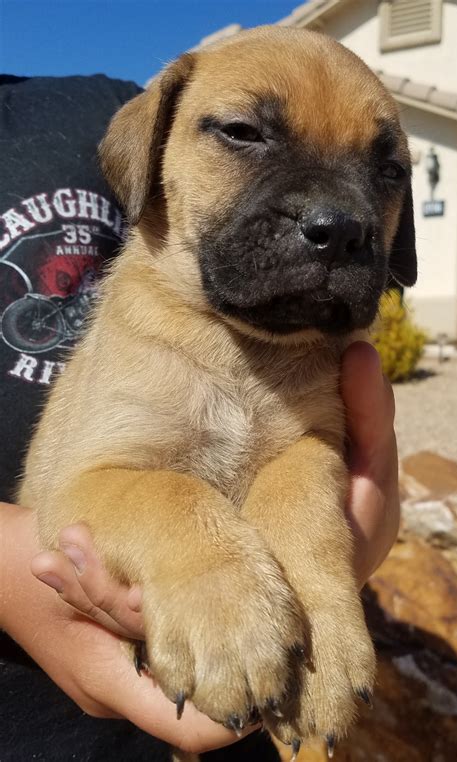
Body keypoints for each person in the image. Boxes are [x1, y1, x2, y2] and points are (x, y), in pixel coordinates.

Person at [0, 73, 400, 761]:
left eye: (383, 171)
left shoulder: (84, 102)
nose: (338, 215)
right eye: (244, 136)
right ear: (147, 162)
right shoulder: (146, 322)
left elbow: (301, 452)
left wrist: (319, 551)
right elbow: (83, 490)